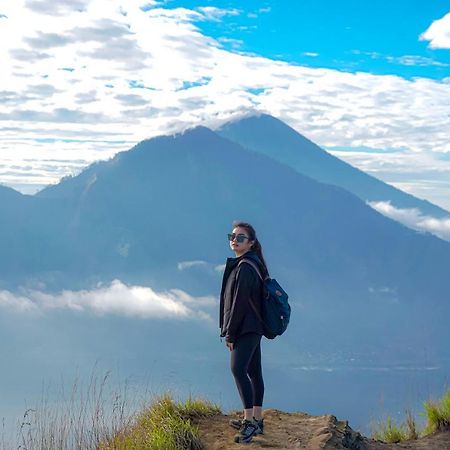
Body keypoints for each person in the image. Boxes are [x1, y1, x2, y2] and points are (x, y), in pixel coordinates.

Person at [219, 220, 269, 444]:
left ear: (251, 243)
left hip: (246, 328)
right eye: (232, 236)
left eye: (240, 238)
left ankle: (250, 422)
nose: (234, 240)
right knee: (254, 372)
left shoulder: (246, 268)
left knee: (238, 369)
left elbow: (238, 304)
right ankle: (257, 419)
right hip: (253, 326)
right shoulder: (251, 263)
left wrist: (230, 334)